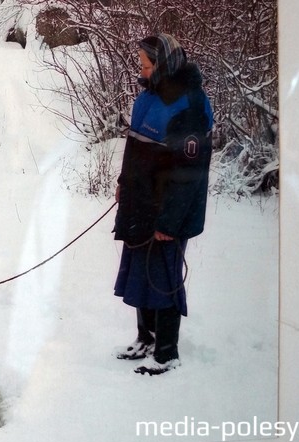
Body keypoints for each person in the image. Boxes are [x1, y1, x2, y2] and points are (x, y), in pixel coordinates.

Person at [112, 33, 213, 375]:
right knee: (140, 272)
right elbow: (136, 152)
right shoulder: (147, 97)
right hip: (141, 204)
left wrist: (169, 222)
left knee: (163, 278)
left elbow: (189, 174)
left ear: (164, 64)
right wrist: (123, 184)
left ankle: (167, 353)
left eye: (146, 63)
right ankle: (146, 338)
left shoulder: (190, 104)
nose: (140, 68)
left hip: (168, 209)